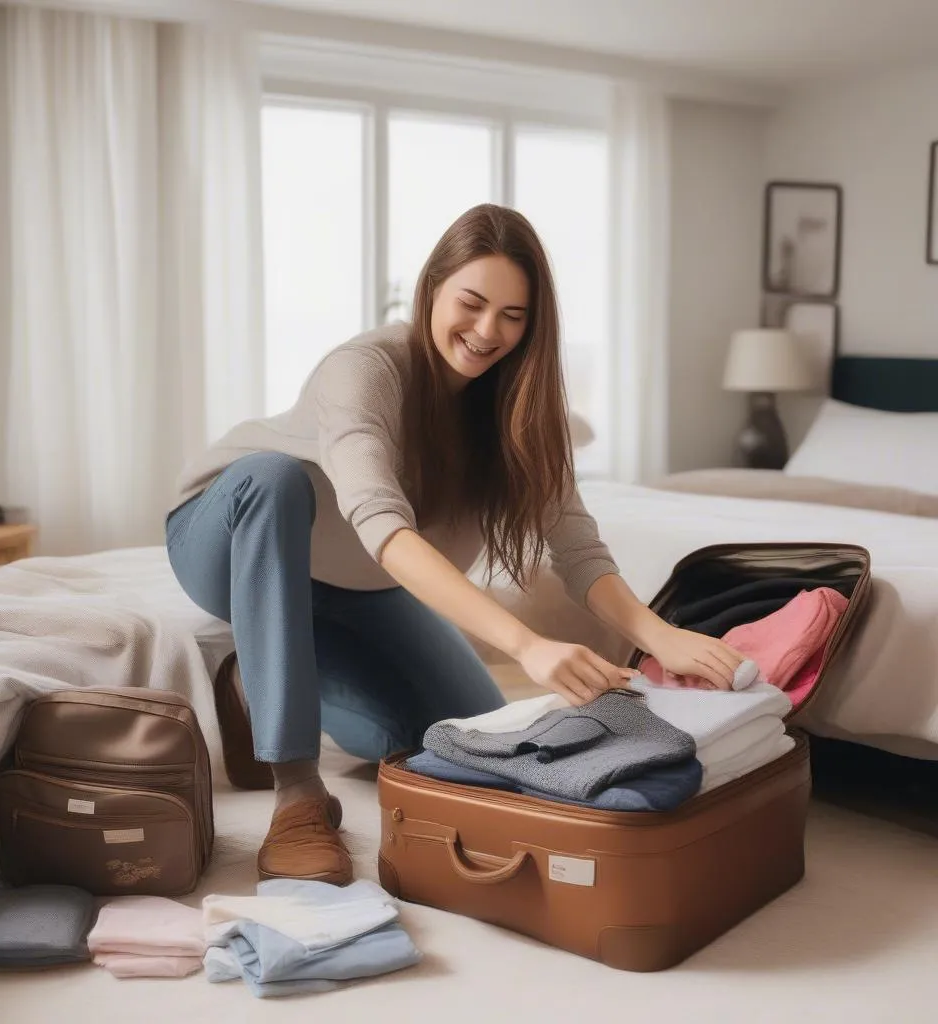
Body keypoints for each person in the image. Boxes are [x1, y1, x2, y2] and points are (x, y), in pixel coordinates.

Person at [166, 203, 744, 887]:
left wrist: (657, 633)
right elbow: (382, 525)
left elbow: (577, 547)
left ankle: (252, 683)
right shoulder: (365, 370)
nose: (486, 331)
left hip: (360, 588)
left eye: (513, 315)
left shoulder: (525, 411)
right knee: (274, 479)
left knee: (460, 738)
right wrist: (528, 644)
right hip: (235, 542)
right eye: (471, 303)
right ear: (432, 287)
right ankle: (296, 793)